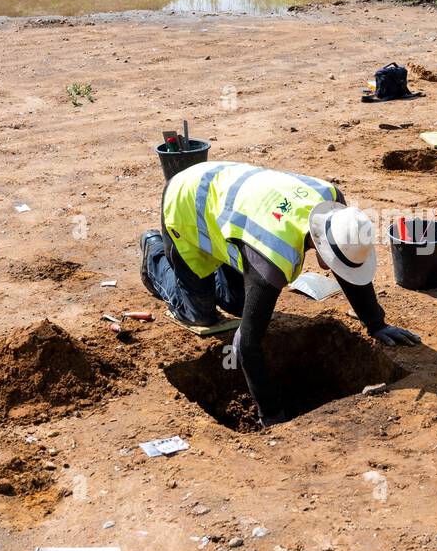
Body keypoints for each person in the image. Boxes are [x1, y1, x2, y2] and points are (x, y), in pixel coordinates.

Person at [140, 162, 420, 428]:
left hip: (230, 206)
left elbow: (346, 260)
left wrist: (375, 322)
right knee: (200, 315)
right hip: (187, 201)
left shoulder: (334, 203)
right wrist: (270, 413)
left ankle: (218, 261)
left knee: (238, 305)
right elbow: (246, 345)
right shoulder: (273, 257)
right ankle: (155, 253)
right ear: (322, 251)